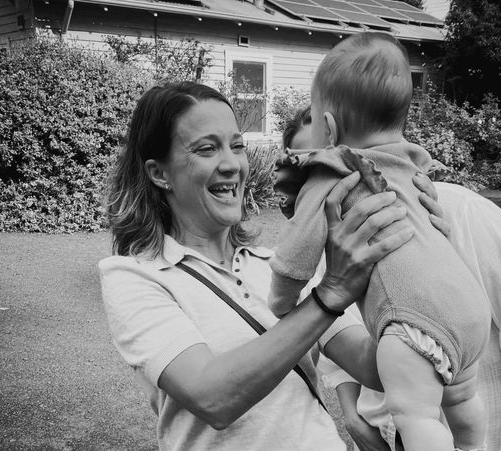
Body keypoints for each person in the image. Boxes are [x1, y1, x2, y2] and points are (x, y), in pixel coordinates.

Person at [98, 81, 430, 451]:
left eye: (237, 146)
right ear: (160, 174)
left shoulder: (274, 266)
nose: (231, 165)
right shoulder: (135, 277)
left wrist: (420, 241)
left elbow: (374, 367)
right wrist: (330, 295)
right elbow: (213, 397)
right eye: (207, 149)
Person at [283, 92, 501, 451]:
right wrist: (352, 413)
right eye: (308, 168)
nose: (323, 179)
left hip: (496, 439)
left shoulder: (461, 210)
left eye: (326, 160)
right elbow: (334, 339)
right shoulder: (324, 250)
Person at [269, 32, 490, 451]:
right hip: (470, 306)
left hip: (414, 320)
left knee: (418, 415)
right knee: (461, 400)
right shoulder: (410, 166)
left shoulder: (333, 166)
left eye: (313, 121)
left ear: (329, 128)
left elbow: (296, 248)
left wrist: (282, 299)